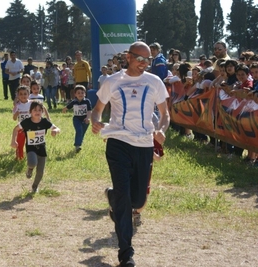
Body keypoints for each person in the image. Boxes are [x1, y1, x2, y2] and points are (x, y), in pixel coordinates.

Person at [91, 41, 170, 267]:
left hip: (144, 144)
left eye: (148, 60)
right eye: (140, 59)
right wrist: (96, 123)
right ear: (128, 57)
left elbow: (165, 114)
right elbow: (97, 110)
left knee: (137, 199)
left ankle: (113, 196)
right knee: (126, 201)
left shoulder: (154, 82)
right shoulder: (112, 81)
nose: (144, 64)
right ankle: (126, 254)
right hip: (118, 142)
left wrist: (161, 130)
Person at [11, 101, 60, 193]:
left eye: (40, 110)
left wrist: (55, 131)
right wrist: (13, 141)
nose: (37, 112)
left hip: (42, 148)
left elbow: (56, 128)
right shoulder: (26, 122)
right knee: (33, 162)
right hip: (31, 148)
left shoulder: (45, 122)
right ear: (30, 112)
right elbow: (15, 129)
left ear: (42, 111)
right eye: (35, 110)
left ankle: (35, 186)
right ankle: (30, 169)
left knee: (40, 172)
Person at [62, 85, 92, 152]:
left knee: (82, 133)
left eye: (82, 93)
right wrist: (65, 109)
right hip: (77, 119)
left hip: (85, 120)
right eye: (78, 93)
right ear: (75, 94)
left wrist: (88, 118)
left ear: (85, 93)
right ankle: (77, 146)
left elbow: (89, 111)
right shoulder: (74, 102)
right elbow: (68, 106)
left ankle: (79, 143)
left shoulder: (87, 101)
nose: (80, 94)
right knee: (79, 130)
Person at [12, 85, 32, 160]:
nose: (23, 95)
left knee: (31, 143)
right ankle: (19, 157)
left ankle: (31, 156)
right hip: (21, 128)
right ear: (18, 95)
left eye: (25, 94)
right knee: (20, 143)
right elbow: (14, 118)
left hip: (31, 128)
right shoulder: (17, 105)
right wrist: (16, 114)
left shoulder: (32, 104)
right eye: (21, 94)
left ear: (28, 94)